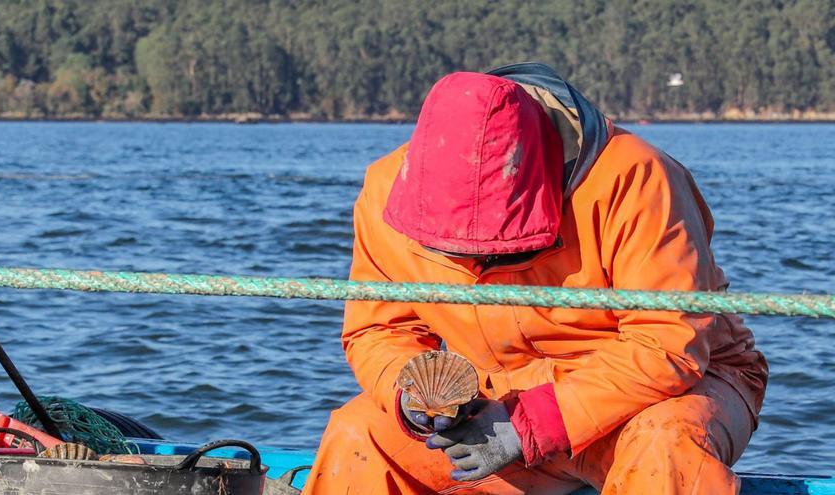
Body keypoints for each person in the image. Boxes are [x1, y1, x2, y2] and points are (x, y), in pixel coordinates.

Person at [302, 63, 767, 494]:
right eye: (451, 251)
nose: (473, 265)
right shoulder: (386, 189)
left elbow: (668, 343)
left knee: (666, 445)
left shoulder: (636, 177)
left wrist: (530, 423)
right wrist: (412, 400)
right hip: (490, 403)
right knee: (355, 432)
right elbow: (381, 330)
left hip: (670, 390)